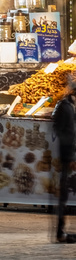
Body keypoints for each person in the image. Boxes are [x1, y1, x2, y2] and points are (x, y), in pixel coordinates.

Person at [52, 69, 76, 243]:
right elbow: (60, 130)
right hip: (67, 154)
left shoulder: (68, 106)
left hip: (69, 153)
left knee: (65, 195)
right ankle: (60, 232)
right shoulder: (64, 106)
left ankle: (62, 232)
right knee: (64, 195)